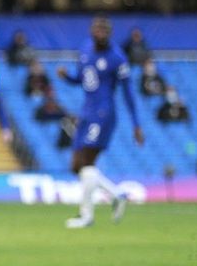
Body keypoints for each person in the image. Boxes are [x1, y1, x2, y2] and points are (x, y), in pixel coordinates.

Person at [57, 15, 144, 229]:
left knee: (87, 160)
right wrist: (67, 77)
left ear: (110, 33)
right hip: (86, 112)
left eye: (104, 30)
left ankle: (86, 216)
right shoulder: (85, 49)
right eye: (97, 29)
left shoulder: (117, 58)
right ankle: (115, 195)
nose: (100, 33)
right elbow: (83, 79)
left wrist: (136, 124)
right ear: (91, 31)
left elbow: (129, 92)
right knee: (76, 165)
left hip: (104, 114)